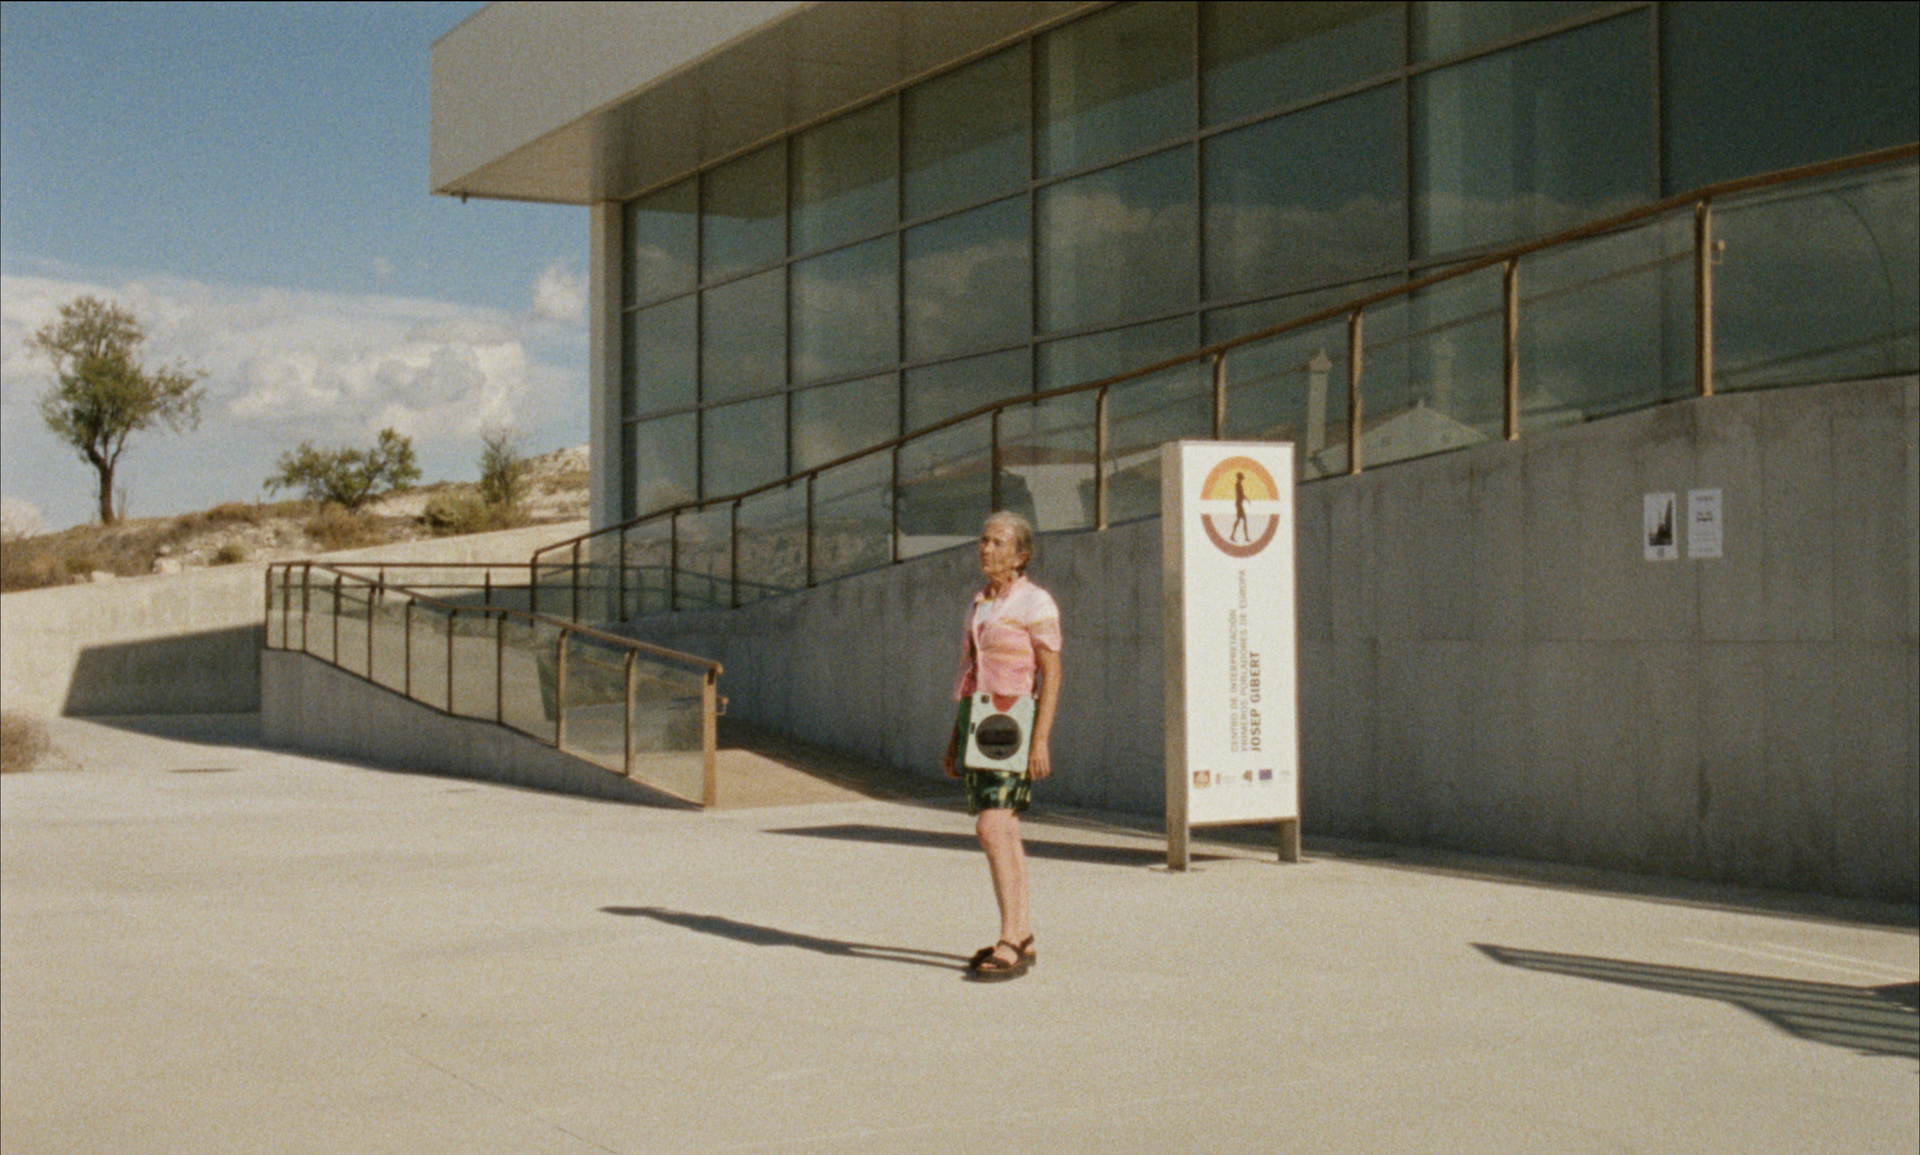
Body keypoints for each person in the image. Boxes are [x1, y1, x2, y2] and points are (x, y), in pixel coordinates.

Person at [942, 510, 1062, 981]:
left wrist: (1041, 739)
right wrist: (954, 739)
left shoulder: (1036, 603)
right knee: (1004, 828)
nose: (985, 549)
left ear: (1021, 556)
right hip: (979, 723)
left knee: (991, 827)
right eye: (983, 540)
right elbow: (968, 676)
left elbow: (1051, 673)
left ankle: (1011, 937)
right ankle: (1021, 934)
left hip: (1015, 724)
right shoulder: (979, 604)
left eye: (997, 543)